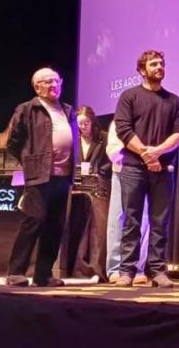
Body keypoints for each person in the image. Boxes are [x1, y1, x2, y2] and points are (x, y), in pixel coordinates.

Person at [113, 50, 179, 288]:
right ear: (142, 70)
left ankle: (157, 271)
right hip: (134, 168)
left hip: (163, 169)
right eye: (154, 64)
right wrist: (147, 154)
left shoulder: (173, 100)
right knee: (131, 219)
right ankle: (127, 271)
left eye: (162, 63)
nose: (159, 67)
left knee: (160, 221)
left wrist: (157, 153)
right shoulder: (129, 96)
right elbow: (123, 131)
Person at [5, 67, 78, 287]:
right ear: (37, 87)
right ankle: (16, 272)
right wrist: (31, 163)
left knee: (55, 226)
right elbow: (13, 143)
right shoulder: (27, 109)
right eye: (47, 82)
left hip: (63, 177)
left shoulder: (67, 109)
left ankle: (43, 274)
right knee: (33, 221)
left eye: (56, 81)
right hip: (39, 176)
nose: (52, 85)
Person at [104, 121, 149, 284]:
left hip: (145, 170)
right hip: (122, 171)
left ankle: (137, 268)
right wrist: (132, 158)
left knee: (143, 219)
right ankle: (115, 268)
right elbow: (112, 149)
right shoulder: (119, 121)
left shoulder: (147, 118)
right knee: (118, 219)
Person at [72, 105, 111, 281]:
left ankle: (97, 269)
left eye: (86, 123)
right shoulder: (73, 139)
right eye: (79, 124)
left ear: (92, 121)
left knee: (98, 227)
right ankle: (76, 268)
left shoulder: (104, 138)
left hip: (99, 187)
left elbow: (113, 160)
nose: (83, 127)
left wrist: (99, 171)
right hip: (76, 186)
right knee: (74, 224)